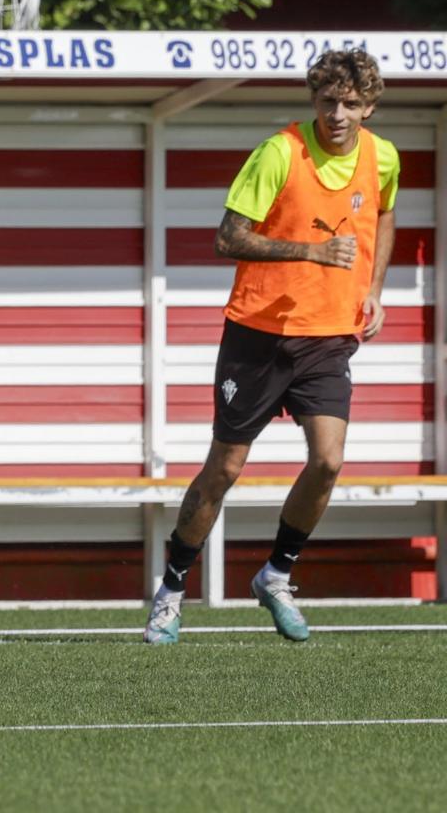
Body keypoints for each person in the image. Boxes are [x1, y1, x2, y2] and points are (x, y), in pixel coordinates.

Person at [145, 49, 399, 644]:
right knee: (225, 468)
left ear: (369, 107)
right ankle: (172, 589)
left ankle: (276, 574)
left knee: (329, 460)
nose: (338, 113)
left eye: (352, 103)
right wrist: (311, 252)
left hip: (328, 336)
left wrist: (375, 290)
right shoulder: (279, 153)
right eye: (328, 100)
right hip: (257, 335)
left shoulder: (382, 156)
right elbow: (227, 237)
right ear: (313, 100)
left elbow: (385, 214)